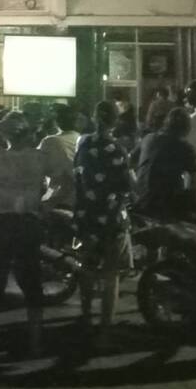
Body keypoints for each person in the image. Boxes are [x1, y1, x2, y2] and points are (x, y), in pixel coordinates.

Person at [0, 112, 50, 356]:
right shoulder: (40, 157)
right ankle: (36, 343)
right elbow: (65, 179)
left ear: (6, 135)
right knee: (32, 281)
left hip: (2, 222)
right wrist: (47, 204)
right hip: (28, 222)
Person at [138, 106, 196, 268]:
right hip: (165, 203)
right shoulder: (184, 147)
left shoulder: (148, 139)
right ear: (187, 129)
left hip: (142, 200)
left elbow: (132, 163)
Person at [74, 100, 135, 348]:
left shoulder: (84, 144)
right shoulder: (118, 149)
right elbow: (126, 186)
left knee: (87, 267)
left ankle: (86, 317)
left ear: (95, 117)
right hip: (111, 217)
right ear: (115, 121)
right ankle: (105, 331)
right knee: (111, 274)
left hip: (87, 215)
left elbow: (78, 176)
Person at [37, 104, 80, 209]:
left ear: (57, 121)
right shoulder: (81, 139)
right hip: (79, 198)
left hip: (59, 199)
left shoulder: (52, 141)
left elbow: (39, 167)